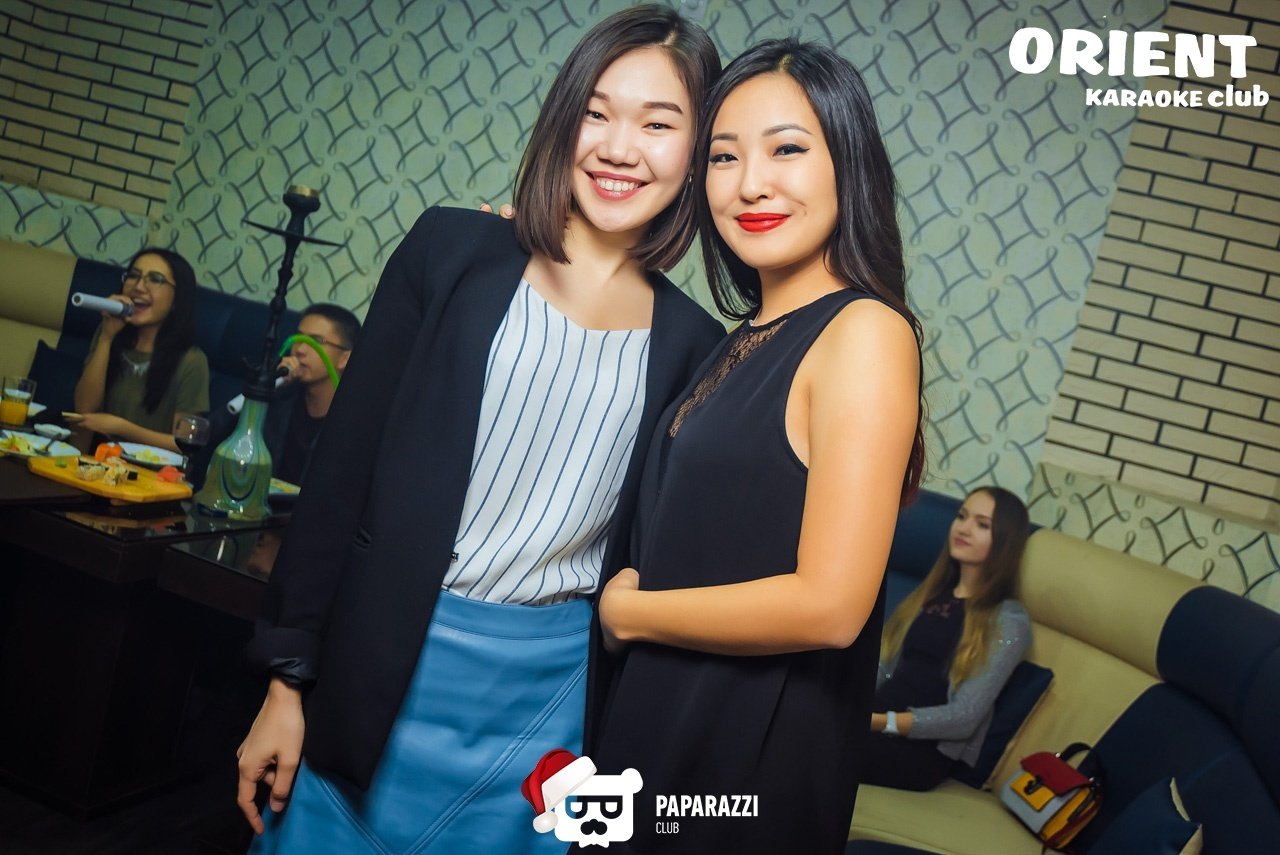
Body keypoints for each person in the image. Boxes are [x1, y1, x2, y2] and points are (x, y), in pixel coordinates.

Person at [235, 7, 723, 855]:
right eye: (597, 112)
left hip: (544, 702)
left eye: (658, 124)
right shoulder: (452, 250)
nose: (619, 147)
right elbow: (342, 472)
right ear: (564, 119)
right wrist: (285, 681)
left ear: (697, 151)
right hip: (379, 659)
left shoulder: (697, 345)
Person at [583, 40, 926, 854]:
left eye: (787, 150)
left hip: (743, 755)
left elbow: (831, 606)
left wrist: (630, 612)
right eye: (724, 157)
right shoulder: (739, 339)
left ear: (849, 165)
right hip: (660, 723)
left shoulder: (864, 331)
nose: (750, 184)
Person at [864, 486, 1032, 791]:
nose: (964, 528)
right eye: (962, 516)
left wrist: (881, 721)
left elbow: (964, 716)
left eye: (982, 525)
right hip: (873, 722)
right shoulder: (930, 595)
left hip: (919, 750)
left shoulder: (1008, 620)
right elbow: (885, 666)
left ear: (1005, 541)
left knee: (812, 748)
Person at [203, 303, 362, 487]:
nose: (300, 350)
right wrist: (265, 387)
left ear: (345, 358)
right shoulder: (280, 396)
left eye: (316, 341)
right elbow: (211, 433)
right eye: (298, 338)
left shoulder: (354, 421)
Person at [71, 247, 209, 451]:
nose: (138, 286)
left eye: (155, 279)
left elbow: (182, 444)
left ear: (177, 299)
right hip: (94, 461)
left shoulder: (192, 360)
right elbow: (84, 410)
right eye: (133, 276)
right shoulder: (108, 333)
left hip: (151, 469)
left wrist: (122, 428)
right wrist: (106, 338)